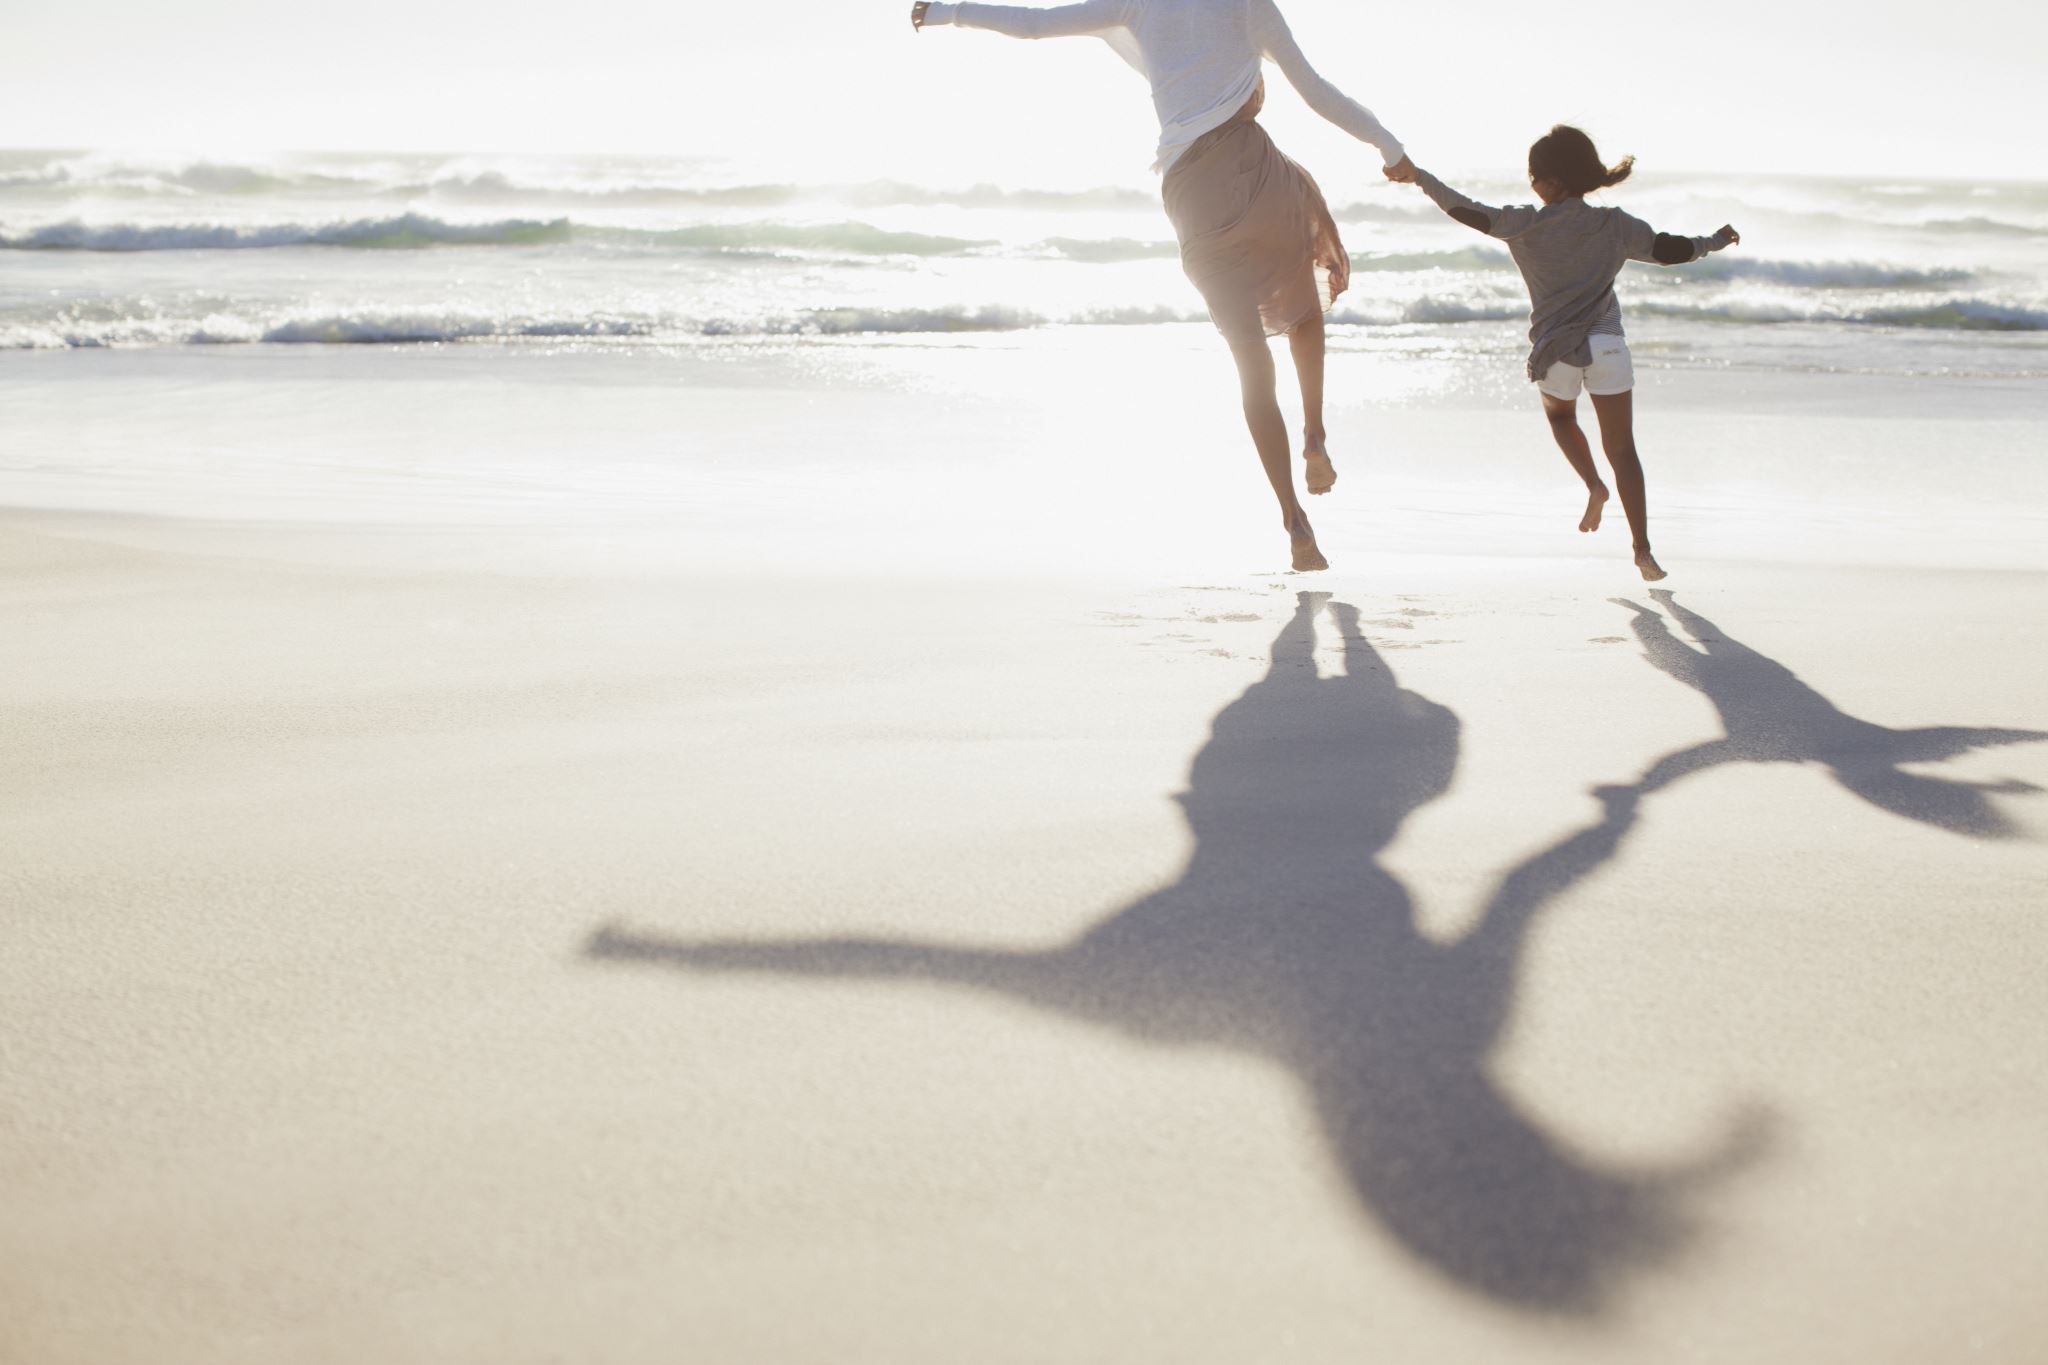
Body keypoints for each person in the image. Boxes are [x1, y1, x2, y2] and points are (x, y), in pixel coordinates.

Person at [911, 0, 1414, 571]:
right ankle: (1315, 436)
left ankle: (1295, 523)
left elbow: (1035, 25)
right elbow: (1317, 92)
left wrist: (947, 11)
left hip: (1193, 198)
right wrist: (1388, 146)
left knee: (1249, 359)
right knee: (1303, 301)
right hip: (1258, 176)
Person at [1389, 127, 1737, 581]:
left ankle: (1593, 485)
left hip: (1556, 354)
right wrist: (1714, 240)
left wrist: (1419, 176)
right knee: (1623, 449)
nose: (1531, 184)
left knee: (1561, 418)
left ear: (1552, 182)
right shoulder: (1616, 225)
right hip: (1607, 346)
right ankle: (1643, 550)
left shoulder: (1525, 224)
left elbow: (1465, 210)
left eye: (1534, 176)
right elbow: (1671, 250)